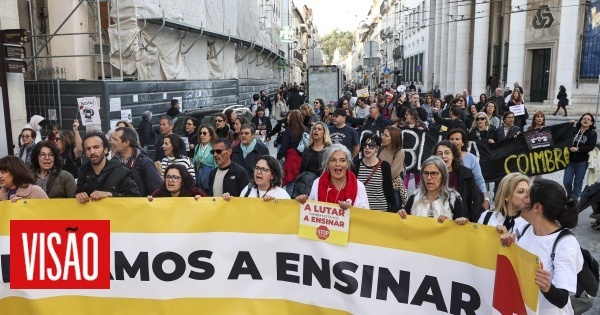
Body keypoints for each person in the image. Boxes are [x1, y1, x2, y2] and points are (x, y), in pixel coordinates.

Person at [500, 179, 583, 314]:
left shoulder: (565, 244)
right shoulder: (524, 228)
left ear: (537, 207)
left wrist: (547, 287)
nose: (522, 199)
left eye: (526, 196)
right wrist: (508, 244)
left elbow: (561, 300)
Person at [295, 144, 370, 210]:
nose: (338, 164)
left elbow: (365, 217)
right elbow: (310, 211)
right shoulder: (317, 183)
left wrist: (351, 210)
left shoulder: (359, 186)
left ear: (348, 163)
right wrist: (302, 201)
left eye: (342, 160)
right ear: (327, 163)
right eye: (333, 160)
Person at [397, 156, 468, 224]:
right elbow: (405, 225)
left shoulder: (453, 199)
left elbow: (459, 230)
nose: (429, 177)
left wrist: (453, 222)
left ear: (443, 176)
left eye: (434, 173)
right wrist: (401, 215)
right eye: (425, 173)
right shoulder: (414, 198)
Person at [75, 132, 140, 203]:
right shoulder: (83, 171)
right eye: (88, 149)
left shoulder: (120, 172)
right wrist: (79, 195)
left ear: (105, 150)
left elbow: (135, 196)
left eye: (96, 147)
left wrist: (111, 194)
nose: (92, 152)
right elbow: (78, 193)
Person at [433, 140, 483, 222]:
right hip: (437, 222)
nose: (443, 156)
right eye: (440, 153)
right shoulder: (430, 174)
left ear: (453, 156)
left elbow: (474, 200)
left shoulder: (466, 174)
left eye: (447, 153)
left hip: (460, 222)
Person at [110, 126, 163, 196]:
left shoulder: (145, 163)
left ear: (126, 143)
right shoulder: (112, 163)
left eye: (115, 140)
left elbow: (158, 191)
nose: (111, 142)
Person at [447, 128, 489, 210]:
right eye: (451, 139)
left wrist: (485, 199)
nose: (454, 141)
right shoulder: (443, 158)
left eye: (457, 139)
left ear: (463, 143)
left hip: (466, 200)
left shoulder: (471, 158)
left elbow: (479, 179)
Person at [353, 134, 396, 211]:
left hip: (380, 210)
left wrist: (395, 208)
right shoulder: (356, 165)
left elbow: (389, 190)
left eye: (371, 145)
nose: (367, 148)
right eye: (364, 145)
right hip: (361, 210)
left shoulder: (384, 166)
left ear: (377, 148)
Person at [225, 155, 291, 201]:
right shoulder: (248, 189)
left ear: (272, 175)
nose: (259, 172)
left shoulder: (282, 194)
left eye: (264, 169)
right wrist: (229, 200)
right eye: (257, 168)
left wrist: (273, 206)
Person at [294, 122, 332, 197]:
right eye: (314, 129)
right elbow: (302, 168)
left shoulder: (329, 150)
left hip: (323, 184)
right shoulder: (308, 148)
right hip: (306, 184)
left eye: (319, 129)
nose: (316, 130)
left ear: (324, 133)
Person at [564, 113, 597, 197]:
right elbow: (563, 136)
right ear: (581, 120)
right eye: (584, 118)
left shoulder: (592, 133)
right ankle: (570, 195)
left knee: (578, 183)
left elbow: (591, 146)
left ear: (591, 123)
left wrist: (578, 149)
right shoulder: (574, 130)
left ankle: (574, 202)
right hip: (570, 161)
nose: (585, 120)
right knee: (566, 181)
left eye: (588, 119)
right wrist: (568, 125)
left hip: (582, 162)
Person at [277, 110, 307, 194]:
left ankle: (290, 200)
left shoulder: (289, 130)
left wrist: (278, 157)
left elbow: (284, 147)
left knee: (290, 182)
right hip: (302, 157)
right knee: (299, 181)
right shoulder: (305, 130)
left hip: (290, 158)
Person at [193, 125, 218, 191]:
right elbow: (194, 163)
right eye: (200, 133)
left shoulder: (215, 147)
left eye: (204, 133)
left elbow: (217, 165)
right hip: (198, 180)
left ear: (211, 135)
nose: (202, 135)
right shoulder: (197, 147)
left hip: (209, 179)